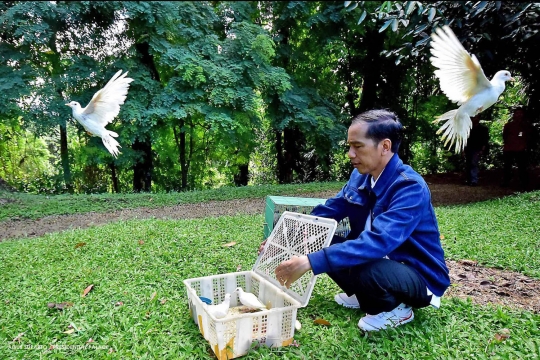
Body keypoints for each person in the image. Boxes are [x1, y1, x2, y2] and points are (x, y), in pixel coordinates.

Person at [267, 109, 450, 332]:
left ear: (384, 146)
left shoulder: (409, 186)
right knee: (321, 239)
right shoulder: (361, 176)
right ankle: (362, 294)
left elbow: (379, 242)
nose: (350, 154)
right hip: (379, 261)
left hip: (415, 274)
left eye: (358, 146)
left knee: (365, 267)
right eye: (349, 147)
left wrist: (309, 261)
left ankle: (397, 308)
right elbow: (328, 211)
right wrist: (283, 238)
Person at [501, 107, 530, 189]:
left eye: (520, 113)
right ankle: (506, 181)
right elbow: (505, 136)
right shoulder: (509, 125)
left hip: (521, 149)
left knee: (522, 167)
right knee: (507, 166)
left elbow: (529, 137)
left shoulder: (526, 126)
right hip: (509, 148)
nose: (518, 115)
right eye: (517, 113)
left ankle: (524, 183)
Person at [463, 115, 490, 186]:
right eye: (473, 118)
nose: (474, 119)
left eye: (476, 117)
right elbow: (464, 140)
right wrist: (463, 149)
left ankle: (474, 180)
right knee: (468, 164)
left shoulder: (483, 129)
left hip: (477, 149)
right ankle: (469, 180)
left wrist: (482, 150)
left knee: (474, 163)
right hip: (468, 149)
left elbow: (485, 140)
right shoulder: (467, 129)